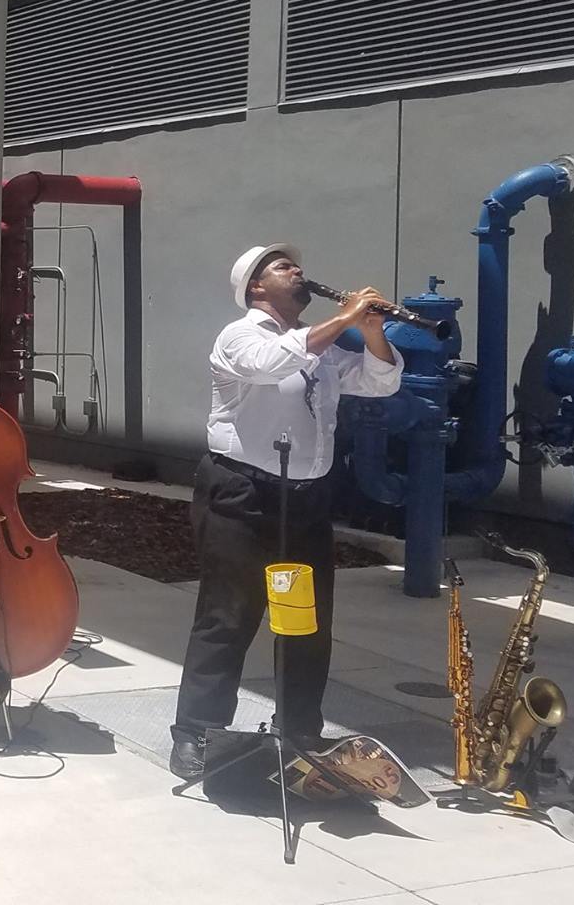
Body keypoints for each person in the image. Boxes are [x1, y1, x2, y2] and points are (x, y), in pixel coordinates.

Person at [167, 245, 404, 780]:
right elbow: (273, 365)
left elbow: (380, 381)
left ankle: (299, 728)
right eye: (282, 267)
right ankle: (197, 732)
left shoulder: (322, 348)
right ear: (256, 288)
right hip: (242, 494)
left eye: (296, 264)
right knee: (229, 615)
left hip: (306, 500)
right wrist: (342, 317)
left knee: (304, 621)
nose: (298, 271)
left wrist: (368, 332)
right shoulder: (240, 335)